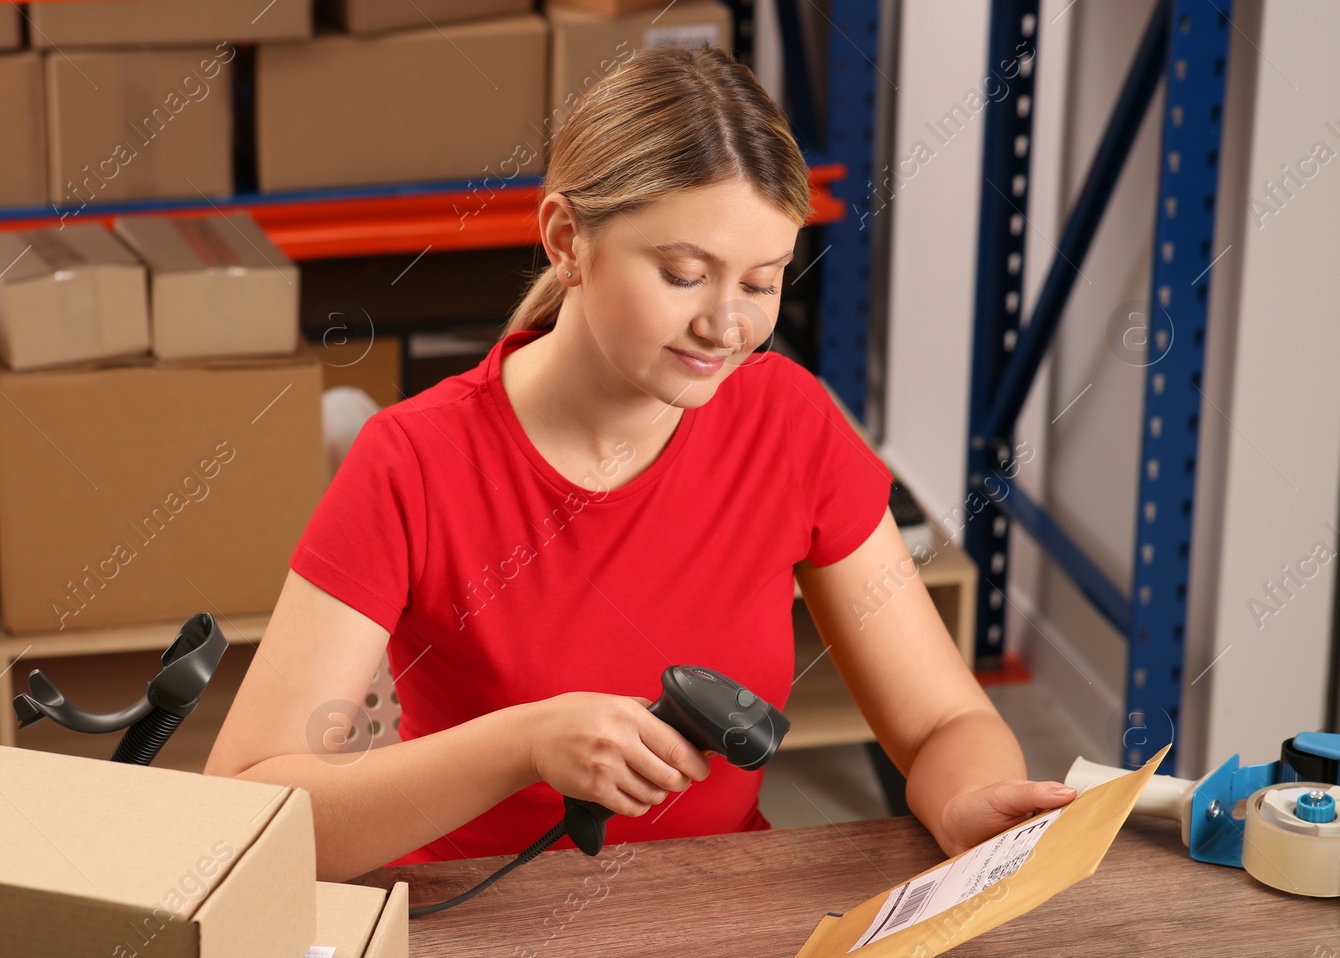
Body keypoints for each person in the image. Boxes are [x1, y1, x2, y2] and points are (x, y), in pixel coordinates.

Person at [203, 44, 1075, 883]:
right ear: (566, 239)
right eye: (684, 273)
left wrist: (967, 800)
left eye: (762, 282)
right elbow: (243, 810)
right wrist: (525, 744)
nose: (726, 325)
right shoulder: (413, 462)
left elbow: (943, 722)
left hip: (713, 934)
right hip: (476, 943)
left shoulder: (788, 421)